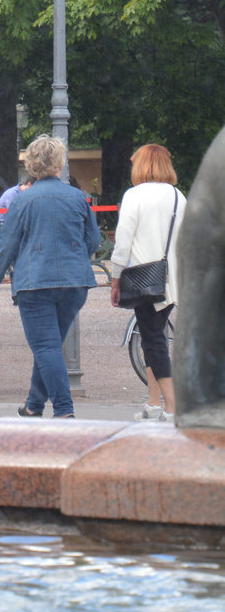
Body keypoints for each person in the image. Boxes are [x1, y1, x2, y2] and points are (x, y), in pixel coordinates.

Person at [0, 135, 101, 418]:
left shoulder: (23, 200)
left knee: (46, 346)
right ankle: (34, 405)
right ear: (60, 164)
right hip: (75, 284)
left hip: (35, 283)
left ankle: (64, 410)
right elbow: (94, 240)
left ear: (31, 166)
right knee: (49, 344)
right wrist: (74, 259)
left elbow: (7, 245)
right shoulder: (79, 197)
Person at [109, 143, 187, 421]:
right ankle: (154, 403)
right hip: (171, 281)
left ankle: (174, 406)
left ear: (140, 165)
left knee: (153, 342)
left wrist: (115, 279)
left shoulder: (134, 196)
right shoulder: (179, 197)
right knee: (153, 339)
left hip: (144, 280)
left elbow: (123, 242)